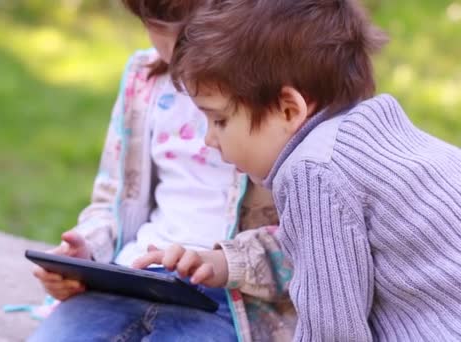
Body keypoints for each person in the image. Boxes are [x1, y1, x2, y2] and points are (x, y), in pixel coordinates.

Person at [163, 0, 461, 340]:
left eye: (220, 120)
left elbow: (333, 328)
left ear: (289, 110)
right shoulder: (368, 134)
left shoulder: (313, 172)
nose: (209, 139)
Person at [28, 1, 294, 341]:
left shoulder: (273, 93)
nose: (178, 48)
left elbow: (303, 240)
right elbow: (114, 200)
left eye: (191, 31)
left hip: (229, 297)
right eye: (156, 26)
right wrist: (87, 250)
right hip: (132, 275)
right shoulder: (144, 78)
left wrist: (222, 263)